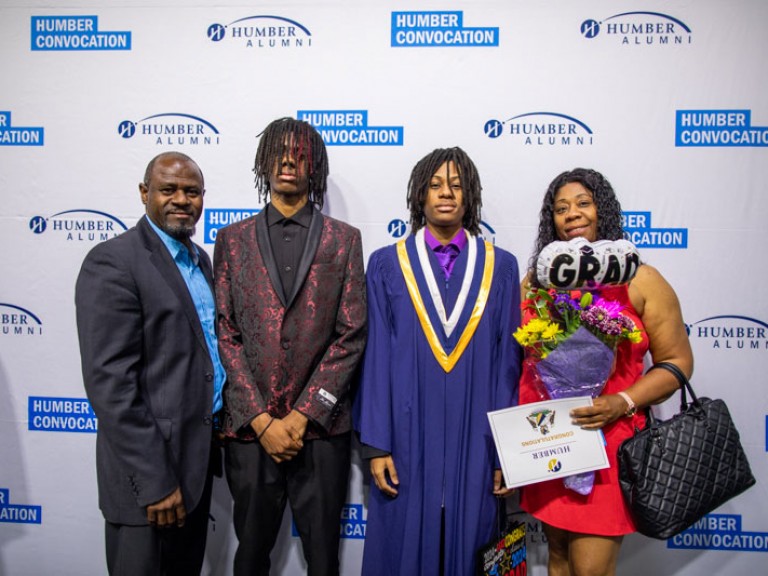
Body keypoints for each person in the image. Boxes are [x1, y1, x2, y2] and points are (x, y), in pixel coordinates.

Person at [354, 147, 522, 576]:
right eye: (435, 184)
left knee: (475, 538)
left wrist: (507, 451)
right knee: (403, 538)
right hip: (407, 434)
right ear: (419, 195)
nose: (446, 193)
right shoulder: (387, 264)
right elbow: (375, 359)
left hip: (478, 434)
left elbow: (508, 362)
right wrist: (377, 444)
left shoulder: (500, 267)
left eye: (457, 184)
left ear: (470, 195)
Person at [519, 168, 694, 576]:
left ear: (604, 211)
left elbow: (678, 363)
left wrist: (623, 401)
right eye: (561, 209)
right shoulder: (537, 283)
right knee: (556, 563)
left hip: (609, 449)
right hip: (549, 445)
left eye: (583, 203)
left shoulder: (642, 280)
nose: (572, 214)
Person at [214, 117, 367, 576]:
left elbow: (351, 333)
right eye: (278, 151)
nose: (287, 160)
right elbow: (226, 331)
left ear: (313, 165)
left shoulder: (345, 239)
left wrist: (302, 415)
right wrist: (261, 420)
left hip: (320, 431)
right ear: (264, 161)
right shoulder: (232, 240)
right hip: (250, 431)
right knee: (250, 554)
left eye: (299, 153)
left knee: (323, 559)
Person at [75, 152, 225, 575]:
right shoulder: (113, 262)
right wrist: (157, 482)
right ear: (144, 194)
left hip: (193, 471)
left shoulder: (200, 261)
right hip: (149, 484)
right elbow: (111, 386)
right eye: (169, 189)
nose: (182, 199)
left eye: (191, 191)